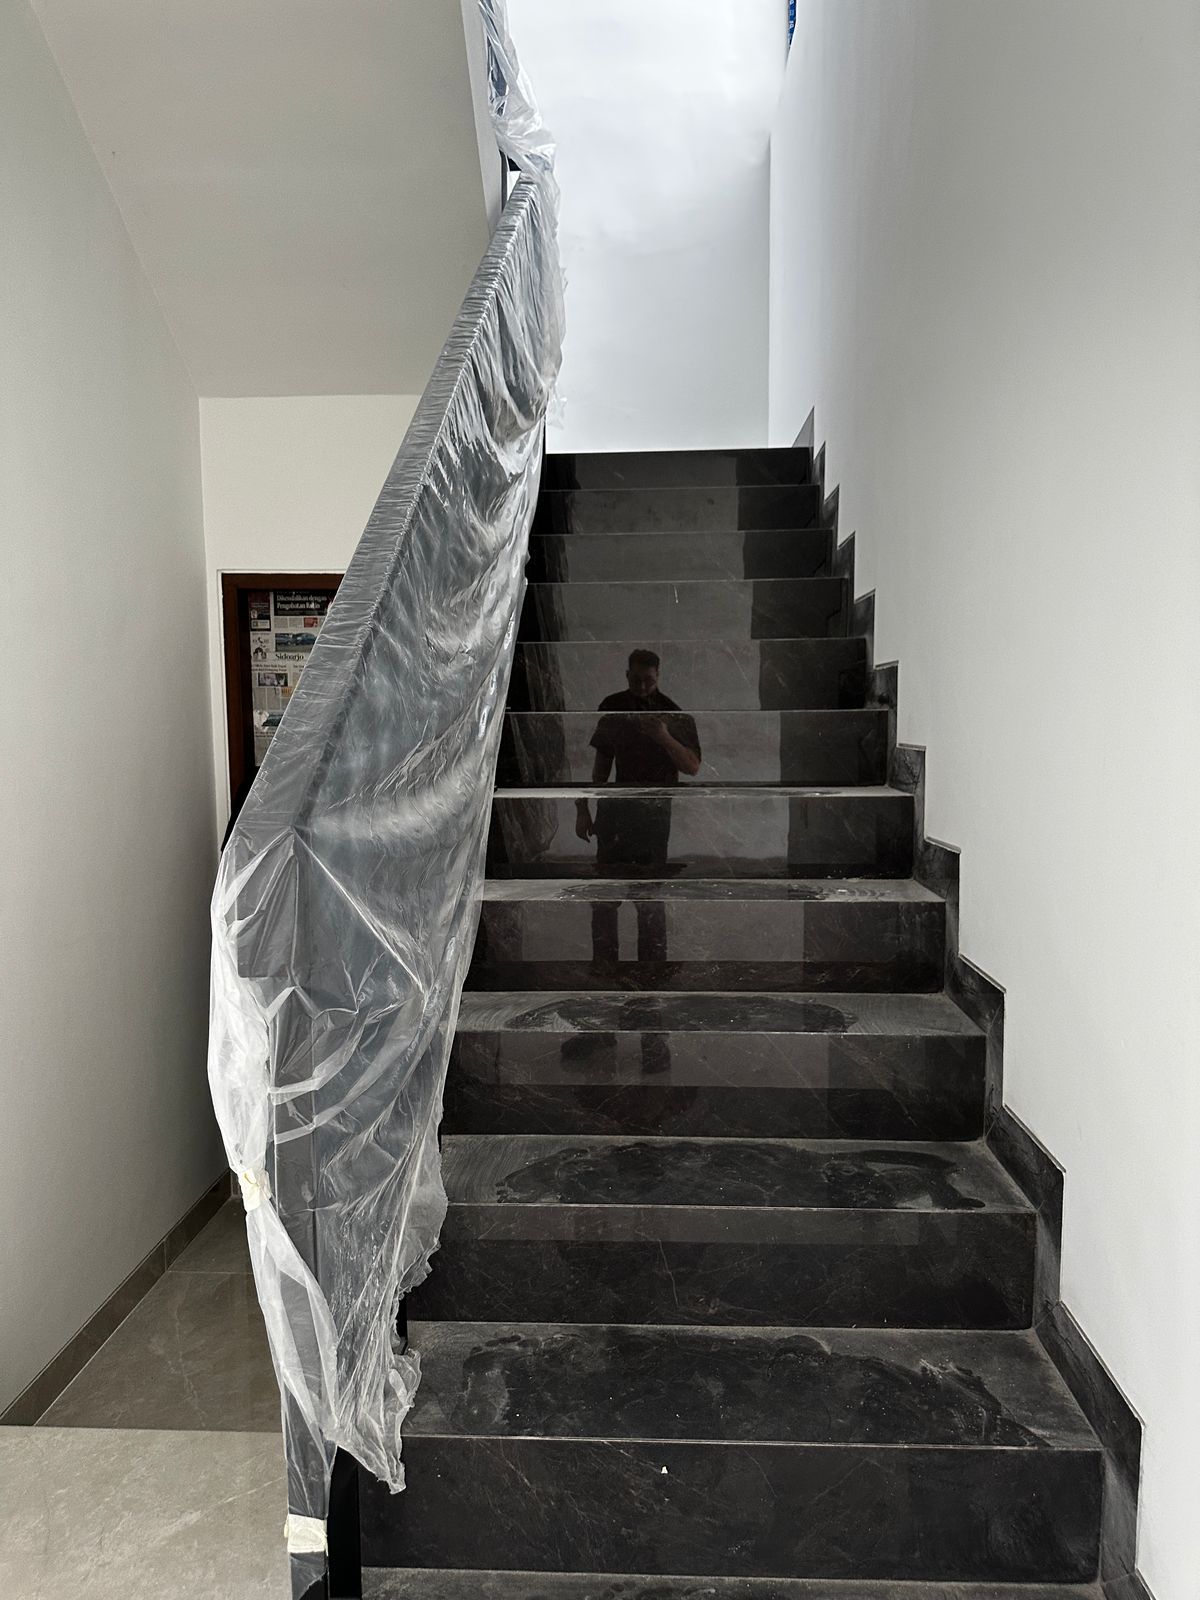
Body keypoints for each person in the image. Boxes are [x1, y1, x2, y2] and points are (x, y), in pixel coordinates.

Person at [573, 650, 701, 971]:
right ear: (626, 675)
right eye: (636, 680)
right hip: (615, 814)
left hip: (652, 818)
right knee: (605, 898)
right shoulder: (613, 707)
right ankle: (604, 968)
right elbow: (601, 765)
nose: (642, 686)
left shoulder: (673, 715)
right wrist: (583, 807)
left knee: (649, 898)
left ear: (658, 677)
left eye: (648, 681)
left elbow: (692, 766)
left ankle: (652, 970)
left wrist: (663, 737)